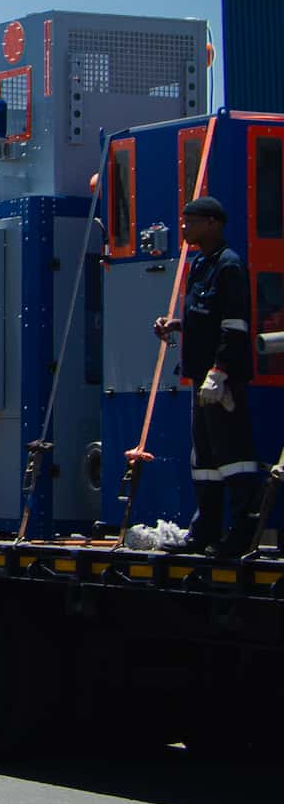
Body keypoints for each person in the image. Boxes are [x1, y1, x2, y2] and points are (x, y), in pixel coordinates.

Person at [154, 195, 259, 556]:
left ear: (212, 223)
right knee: (206, 460)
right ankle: (206, 531)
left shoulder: (229, 266)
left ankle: (243, 533)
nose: (183, 227)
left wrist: (221, 370)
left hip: (221, 380)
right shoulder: (201, 264)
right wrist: (177, 325)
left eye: (191, 221)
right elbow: (206, 316)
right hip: (201, 378)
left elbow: (234, 325)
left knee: (234, 455)